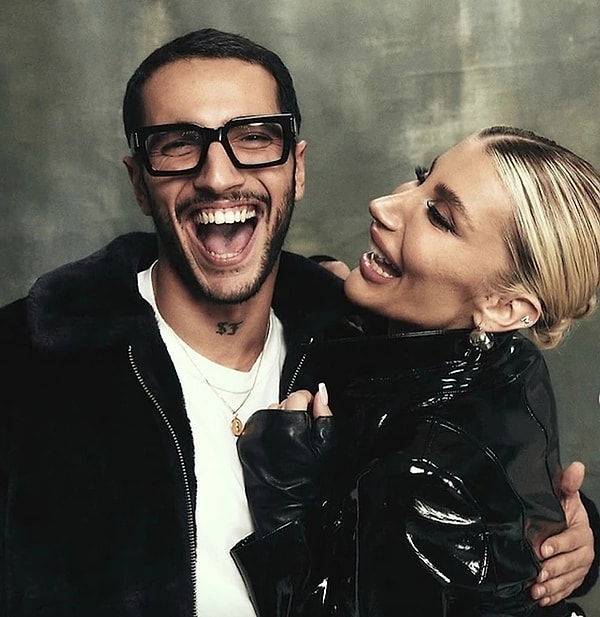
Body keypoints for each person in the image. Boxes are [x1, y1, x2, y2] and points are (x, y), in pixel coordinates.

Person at [0, 27, 594, 616]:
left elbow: (453, 494)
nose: (218, 177)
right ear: (139, 181)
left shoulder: (363, 345)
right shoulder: (25, 368)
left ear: (297, 169)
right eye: (178, 144)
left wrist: (560, 539)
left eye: (254, 138)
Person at [234, 126, 600, 615]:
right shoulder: (512, 361)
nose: (384, 206)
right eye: (421, 177)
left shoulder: (420, 480)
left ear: (505, 307)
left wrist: (286, 499)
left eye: (440, 217)